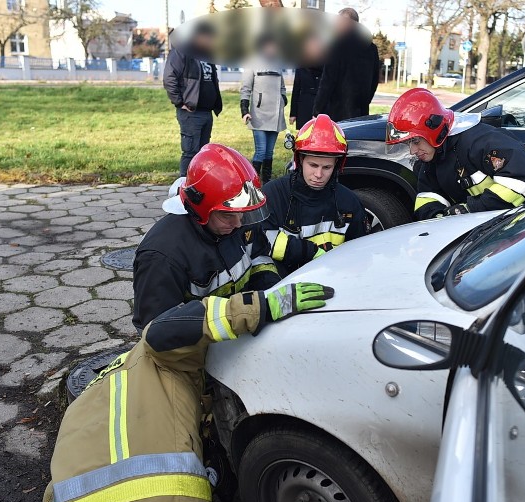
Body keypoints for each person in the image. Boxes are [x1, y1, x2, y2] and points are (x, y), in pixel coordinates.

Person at [43, 281, 335, 502]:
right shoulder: (158, 354)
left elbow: (52, 498)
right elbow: (168, 329)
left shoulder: (90, 397)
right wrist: (264, 305)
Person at [132, 143, 280, 332]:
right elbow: (159, 332)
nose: (239, 224)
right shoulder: (162, 256)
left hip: (241, 329)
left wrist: (269, 295)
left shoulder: (237, 214)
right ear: (201, 210)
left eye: (242, 214)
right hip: (194, 349)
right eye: (227, 216)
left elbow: (259, 257)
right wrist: (247, 312)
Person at [386, 88, 525, 220]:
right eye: (409, 143)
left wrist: (469, 210)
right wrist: (438, 219)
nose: (412, 151)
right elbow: (427, 197)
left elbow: (519, 179)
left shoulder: (480, 141)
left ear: (434, 130)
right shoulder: (433, 155)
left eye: (416, 141)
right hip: (493, 217)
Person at [261, 114, 368, 276]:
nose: (318, 174)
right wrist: (310, 252)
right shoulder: (273, 195)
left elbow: (360, 253)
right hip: (284, 283)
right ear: (300, 160)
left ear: (337, 165)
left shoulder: (349, 203)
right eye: (313, 165)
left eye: (326, 167)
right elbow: (261, 242)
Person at [164, 22, 223, 176]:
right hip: (191, 113)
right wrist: (179, 102)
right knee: (190, 153)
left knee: (203, 154)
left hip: (207, 112)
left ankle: (198, 186)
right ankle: (183, 187)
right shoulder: (182, 52)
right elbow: (169, 78)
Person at [311, 8, 380, 122]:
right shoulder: (371, 48)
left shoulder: (337, 45)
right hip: (361, 110)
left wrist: (317, 110)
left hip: (337, 110)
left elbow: (328, 80)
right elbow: (374, 80)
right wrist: (366, 100)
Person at [240, 35, 287, 184]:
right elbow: (245, 88)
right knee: (260, 151)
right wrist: (244, 110)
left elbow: (283, 87)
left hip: (275, 116)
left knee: (269, 153)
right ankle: (254, 183)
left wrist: (283, 100)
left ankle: (267, 184)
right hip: (258, 115)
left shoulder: (279, 63)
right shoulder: (252, 63)